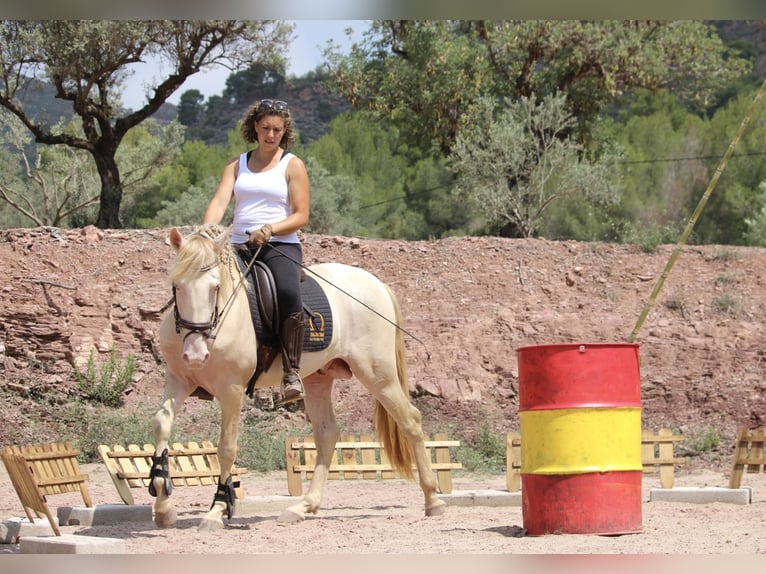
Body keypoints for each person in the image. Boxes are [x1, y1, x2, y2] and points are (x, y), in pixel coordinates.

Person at [203, 99, 310, 404]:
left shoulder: (293, 165)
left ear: (284, 131)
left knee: (289, 293)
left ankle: (291, 372)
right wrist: (207, 233)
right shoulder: (236, 165)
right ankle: (203, 365)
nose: (271, 134)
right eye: (265, 128)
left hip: (280, 244)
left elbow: (302, 215)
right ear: (255, 127)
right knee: (205, 286)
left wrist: (271, 229)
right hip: (238, 244)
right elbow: (220, 202)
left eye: (277, 129)